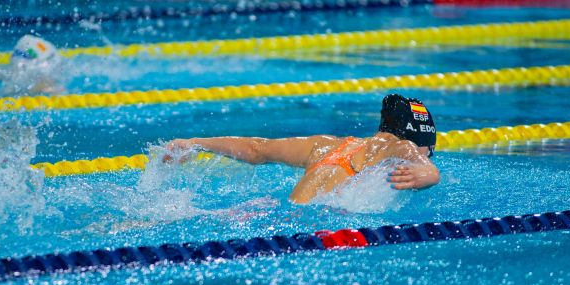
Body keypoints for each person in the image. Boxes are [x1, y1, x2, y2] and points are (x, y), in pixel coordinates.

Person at [164, 94, 441, 204]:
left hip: (282, 213)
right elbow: (427, 168)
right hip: (313, 230)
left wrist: (194, 143)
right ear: (420, 142)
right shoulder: (402, 147)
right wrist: (428, 174)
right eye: (429, 149)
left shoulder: (326, 145)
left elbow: (255, 148)